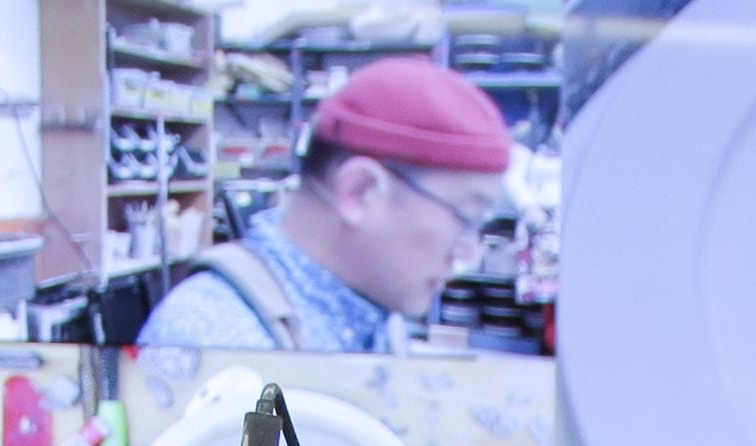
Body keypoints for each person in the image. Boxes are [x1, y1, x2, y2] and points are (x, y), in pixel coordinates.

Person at [139, 54, 519, 356]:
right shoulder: (214, 341)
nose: (468, 253)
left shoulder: (370, 307)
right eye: (466, 217)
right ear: (359, 191)